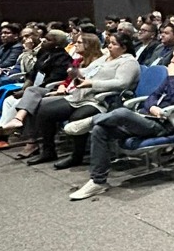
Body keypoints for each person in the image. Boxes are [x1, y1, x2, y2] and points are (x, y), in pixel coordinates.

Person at [69, 43, 174, 200]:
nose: (172, 60)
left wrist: (171, 76)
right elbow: (152, 96)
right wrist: (152, 107)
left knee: (122, 113)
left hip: (166, 124)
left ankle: (91, 120)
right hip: (147, 118)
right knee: (101, 130)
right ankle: (97, 182)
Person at [26, 31, 141, 167]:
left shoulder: (129, 62)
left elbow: (122, 83)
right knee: (45, 110)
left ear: (124, 47)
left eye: (114, 44)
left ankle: (77, 156)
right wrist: (76, 72)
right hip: (81, 96)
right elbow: (87, 72)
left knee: (77, 118)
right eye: (109, 43)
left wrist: (92, 84)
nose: (109, 46)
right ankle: (48, 151)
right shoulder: (105, 58)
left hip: (102, 101)